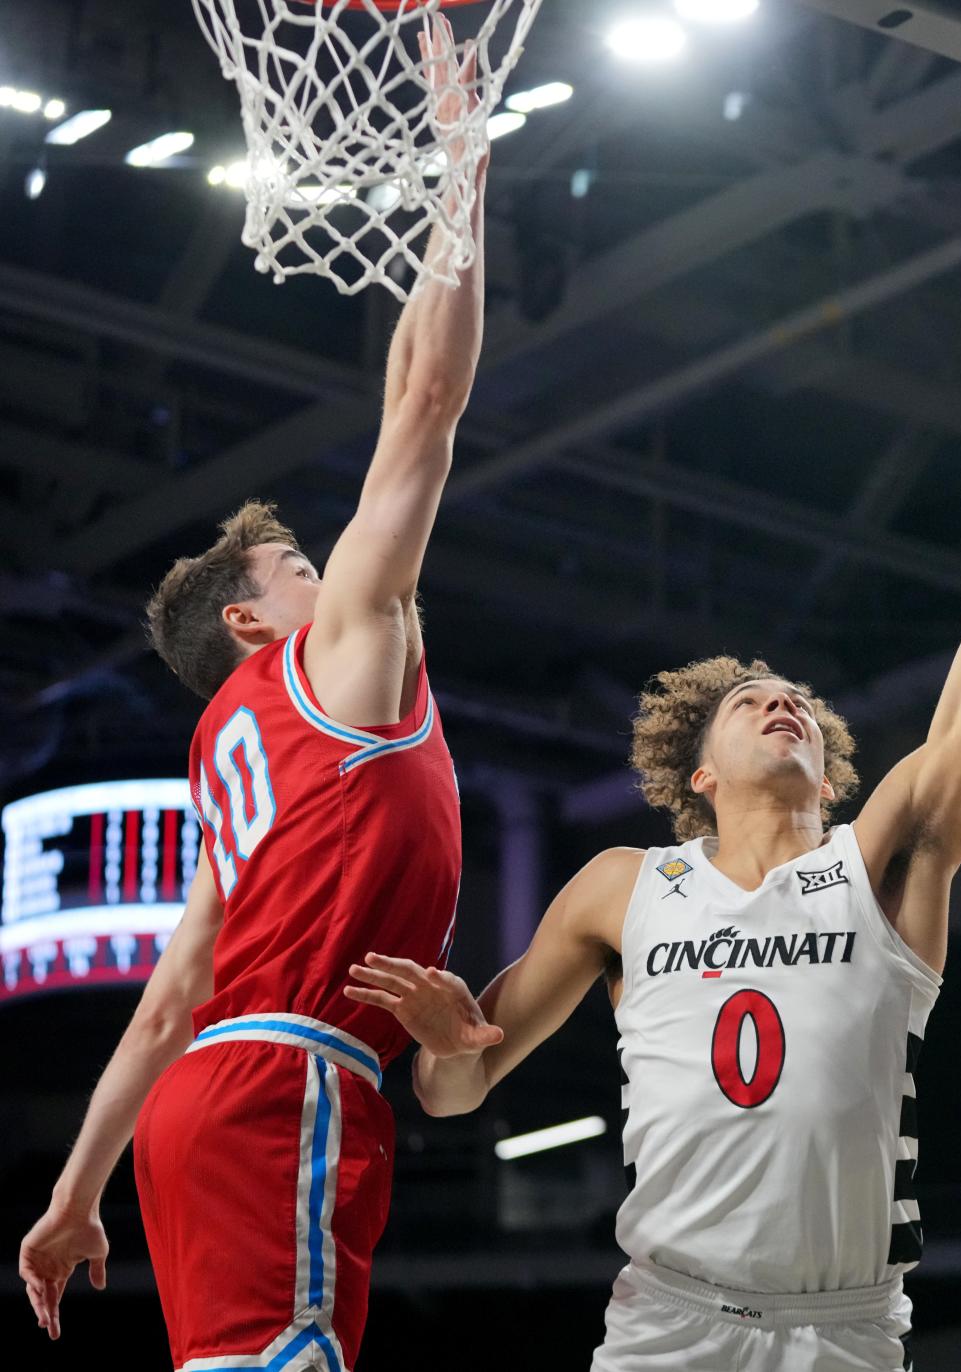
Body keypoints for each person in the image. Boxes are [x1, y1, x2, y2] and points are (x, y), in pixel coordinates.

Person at [344, 257, 961, 1371]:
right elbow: (454, 1088)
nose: (780, 701)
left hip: (848, 1331)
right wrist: (450, 1046)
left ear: (829, 767)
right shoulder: (627, 887)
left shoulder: (889, 855)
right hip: (667, 1323)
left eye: (799, 703)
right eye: (748, 702)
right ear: (698, 775)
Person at [18, 19, 485, 1371]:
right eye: (296, 566)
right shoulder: (335, 653)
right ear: (248, 619)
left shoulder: (238, 769)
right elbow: (429, 397)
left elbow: (167, 1002)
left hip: (202, 1094)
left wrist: (72, 1190)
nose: (324, 569)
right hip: (285, 1081)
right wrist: (462, 158)